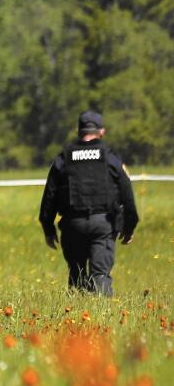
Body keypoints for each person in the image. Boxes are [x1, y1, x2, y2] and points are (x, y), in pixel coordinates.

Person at [39, 110, 138, 296]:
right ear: (102, 132)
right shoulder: (110, 158)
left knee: (77, 275)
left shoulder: (64, 158)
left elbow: (49, 196)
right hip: (103, 224)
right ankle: (101, 321)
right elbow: (127, 193)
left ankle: (75, 319)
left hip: (72, 225)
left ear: (79, 131)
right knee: (100, 274)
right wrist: (129, 226)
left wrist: (48, 228)